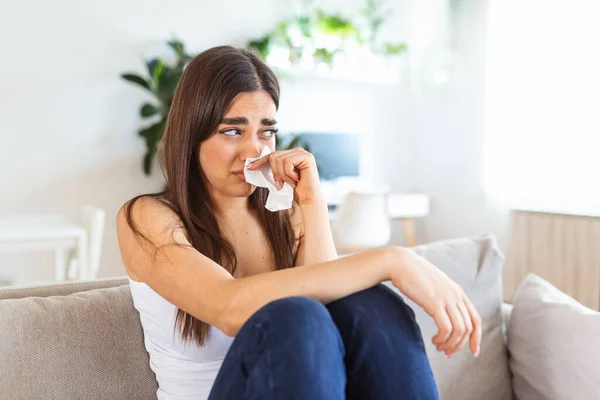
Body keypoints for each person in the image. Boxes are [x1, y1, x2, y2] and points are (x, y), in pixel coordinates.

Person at [116, 45, 481, 400]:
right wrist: (394, 260)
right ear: (192, 133)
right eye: (232, 131)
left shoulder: (283, 214)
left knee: (369, 303)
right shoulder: (147, 218)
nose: (253, 152)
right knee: (293, 315)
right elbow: (229, 308)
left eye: (266, 132)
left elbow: (334, 309)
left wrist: (311, 200)